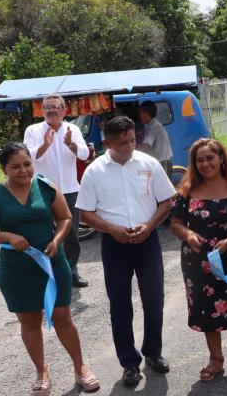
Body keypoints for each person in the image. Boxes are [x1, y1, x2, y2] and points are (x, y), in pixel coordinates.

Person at [0, 143, 100, 395]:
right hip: (17, 269)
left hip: (52, 261)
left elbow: (65, 218)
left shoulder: (46, 186)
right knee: (29, 321)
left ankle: (80, 368)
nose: (23, 171)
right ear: (4, 169)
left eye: (27, 164)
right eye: (15, 166)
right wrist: (8, 236)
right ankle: (41, 372)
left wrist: (56, 240)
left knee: (63, 315)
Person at [76, 116, 176, 386]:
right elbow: (85, 213)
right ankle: (129, 363)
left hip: (148, 241)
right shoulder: (94, 171)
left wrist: (149, 225)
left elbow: (166, 202)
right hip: (114, 245)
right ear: (107, 142)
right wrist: (112, 229)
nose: (130, 146)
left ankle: (153, 353)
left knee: (154, 301)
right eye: (122, 143)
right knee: (120, 306)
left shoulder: (149, 164)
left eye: (132, 140)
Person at [169, 138, 227, 381]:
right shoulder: (186, 192)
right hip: (198, 262)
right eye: (200, 160)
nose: (205, 163)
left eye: (210, 158)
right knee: (207, 309)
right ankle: (215, 358)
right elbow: (175, 223)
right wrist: (187, 234)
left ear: (221, 159)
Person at [23, 94, 90, 288]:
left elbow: (84, 154)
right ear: (42, 111)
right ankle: (46, 273)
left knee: (71, 235)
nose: (51, 111)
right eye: (47, 108)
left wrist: (71, 144)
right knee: (43, 234)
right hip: (41, 191)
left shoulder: (73, 128)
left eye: (55, 107)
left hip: (69, 190)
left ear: (64, 110)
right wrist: (45, 144)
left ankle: (71, 272)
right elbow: (28, 158)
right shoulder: (33, 130)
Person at [137, 101, 173, 177]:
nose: (140, 115)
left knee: (163, 188)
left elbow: (145, 146)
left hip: (162, 162)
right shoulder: (152, 125)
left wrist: (131, 150)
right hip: (160, 162)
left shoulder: (153, 127)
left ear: (146, 114)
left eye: (141, 112)